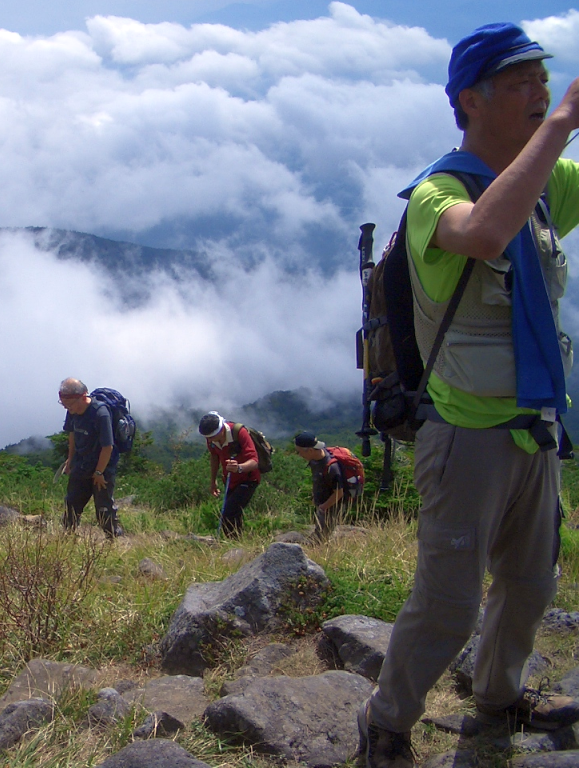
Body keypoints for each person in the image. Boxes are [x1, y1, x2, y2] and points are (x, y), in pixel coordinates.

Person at [357, 23, 579, 768]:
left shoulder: (544, 184)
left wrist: (547, 136)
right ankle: (386, 723)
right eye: (520, 82)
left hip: (535, 428)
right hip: (465, 435)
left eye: (542, 80)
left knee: (528, 584)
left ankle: (497, 697)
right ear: (470, 101)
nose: (540, 92)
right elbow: (483, 234)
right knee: (449, 601)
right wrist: (558, 127)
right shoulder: (435, 194)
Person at [59, 378, 124, 539]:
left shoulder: (100, 413)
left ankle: (113, 539)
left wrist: (99, 472)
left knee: (103, 507)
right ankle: (67, 538)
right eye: (64, 405)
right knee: (72, 503)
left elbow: (107, 446)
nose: (68, 409)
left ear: (82, 397)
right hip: (81, 463)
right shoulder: (72, 411)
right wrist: (70, 460)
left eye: (70, 405)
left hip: (102, 466)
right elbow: (72, 435)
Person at [198, 412, 260, 537]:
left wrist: (239, 468)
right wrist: (213, 481)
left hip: (248, 478)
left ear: (221, 430)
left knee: (229, 513)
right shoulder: (211, 439)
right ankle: (236, 543)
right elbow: (214, 456)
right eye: (207, 438)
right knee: (233, 513)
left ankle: (232, 544)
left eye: (211, 437)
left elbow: (254, 461)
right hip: (229, 480)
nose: (209, 440)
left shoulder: (239, 432)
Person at [292, 431, 357, 540]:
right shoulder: (315, 460)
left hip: (331, 506)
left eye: (299, 452)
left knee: (321, 537)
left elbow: (339, 493)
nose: (299, 455)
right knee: (320, 533)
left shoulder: (332, 467)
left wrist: (323, 507)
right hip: (323, 503)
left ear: (311, 450)